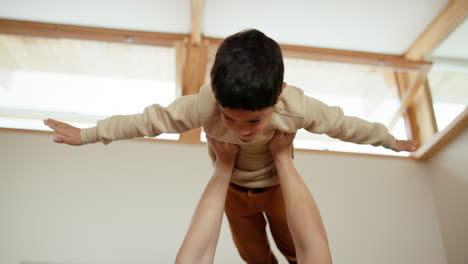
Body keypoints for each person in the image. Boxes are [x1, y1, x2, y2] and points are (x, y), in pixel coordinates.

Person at [44, 29, 417, 263]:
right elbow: (149, 120)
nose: (240, 131)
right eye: (228, 118)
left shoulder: (297, 106)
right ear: (216, 100)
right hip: (233, 191)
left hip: (277, 187)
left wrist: (390, 141)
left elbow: (345, 125)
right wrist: (88, 134)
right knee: (252, 254)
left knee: (296, 247)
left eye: (254, 121)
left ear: (279, 95)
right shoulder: (203, 104)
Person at [176, 132, 332, 264]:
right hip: (243, 188)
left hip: (262, 184)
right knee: (254, 251)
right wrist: (282, 157)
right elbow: (313, 249)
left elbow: (196, 258)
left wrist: (223, 165)